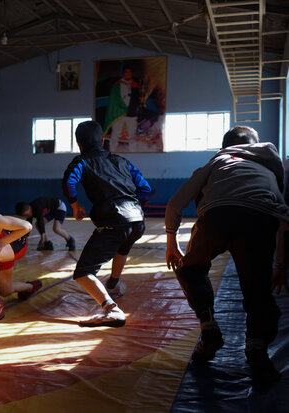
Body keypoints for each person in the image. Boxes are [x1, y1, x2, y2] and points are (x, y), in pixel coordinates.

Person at [165, 125, 289, 382]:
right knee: (258, 291)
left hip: (216, 217)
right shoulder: (270, 168)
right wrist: (280, 266)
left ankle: (208, 326)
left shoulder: (218, 160)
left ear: (225, 146)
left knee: (190, 269)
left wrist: (170, 242)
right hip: (258, 220)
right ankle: (257, 348)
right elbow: (284, 221)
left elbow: (176, 204)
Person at [62, 120, 152, 327]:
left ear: (79, 144)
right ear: (102, 140)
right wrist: (133, 205)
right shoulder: (122, 161)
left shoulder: (82, 161)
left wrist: (75, 204)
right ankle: (112, 285)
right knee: (122, 248)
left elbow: (69, 182)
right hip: (137, 221)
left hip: (114, 221)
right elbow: (145, 188)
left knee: (83, 272)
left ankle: (111, 309)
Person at [103, 66, 141, 153]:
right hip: (118, 114)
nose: (128, 74)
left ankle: (133, 155)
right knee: (115, 135)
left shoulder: (136, 86)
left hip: (131, 114)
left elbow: (138, 100)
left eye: (129, 72)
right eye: (126, 72)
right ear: (123, 74)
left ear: (132, 74)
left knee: (132, 136)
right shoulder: (116, 85)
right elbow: (113, 101)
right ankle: (112, 154)